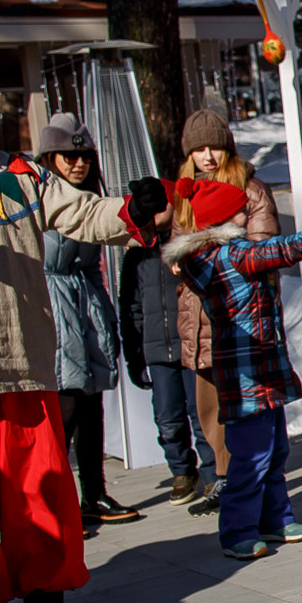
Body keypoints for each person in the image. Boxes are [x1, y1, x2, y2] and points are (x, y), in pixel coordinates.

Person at [0, 143, 166, 603]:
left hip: (25, 359)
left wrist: (132, 211)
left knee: (40, 494)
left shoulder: (21, 174)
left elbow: (82, 212)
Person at [166, 179, 302, 559]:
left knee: (274, 451)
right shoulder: (234, 255)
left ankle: (275, 519)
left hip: (259, 371)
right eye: (241, 209)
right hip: (248, 376)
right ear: (227, 218)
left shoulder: (204, 258)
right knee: (250, 459)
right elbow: (286, 248)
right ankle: (237, 531)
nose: (247, 214)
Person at [33, 116, 140, 526]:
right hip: (53, 305)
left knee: (93, 402)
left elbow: (95, 262)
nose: (78, 163)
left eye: (83, 155)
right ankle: (53, 502)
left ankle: (94, 494)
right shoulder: (41, 194)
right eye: (69, 155)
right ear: (51, 157)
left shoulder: (92, 197)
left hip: (88, 305)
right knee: (65, 410)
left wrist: (102, 311)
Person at [177, 108, 279, 509]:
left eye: (214, 147)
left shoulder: (250, 189)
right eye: (198, 149)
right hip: (198, 310)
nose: (207, 156)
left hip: (241, 312)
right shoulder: (185, 193)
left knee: (248, 401)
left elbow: (263, 245)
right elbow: (176, 244)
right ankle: (223, 474)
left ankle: (247, 483)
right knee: (207, 402)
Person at [120, 198, 219, 511]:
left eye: (161, 206)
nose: (156, 214)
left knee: (200, 410)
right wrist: (134, 354)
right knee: (167, 416)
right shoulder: (135, 254)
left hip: (189, 343)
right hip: (156, 349)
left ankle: (213, 472)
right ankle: (181, 472)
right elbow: (130, 306)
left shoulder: (187, 244)